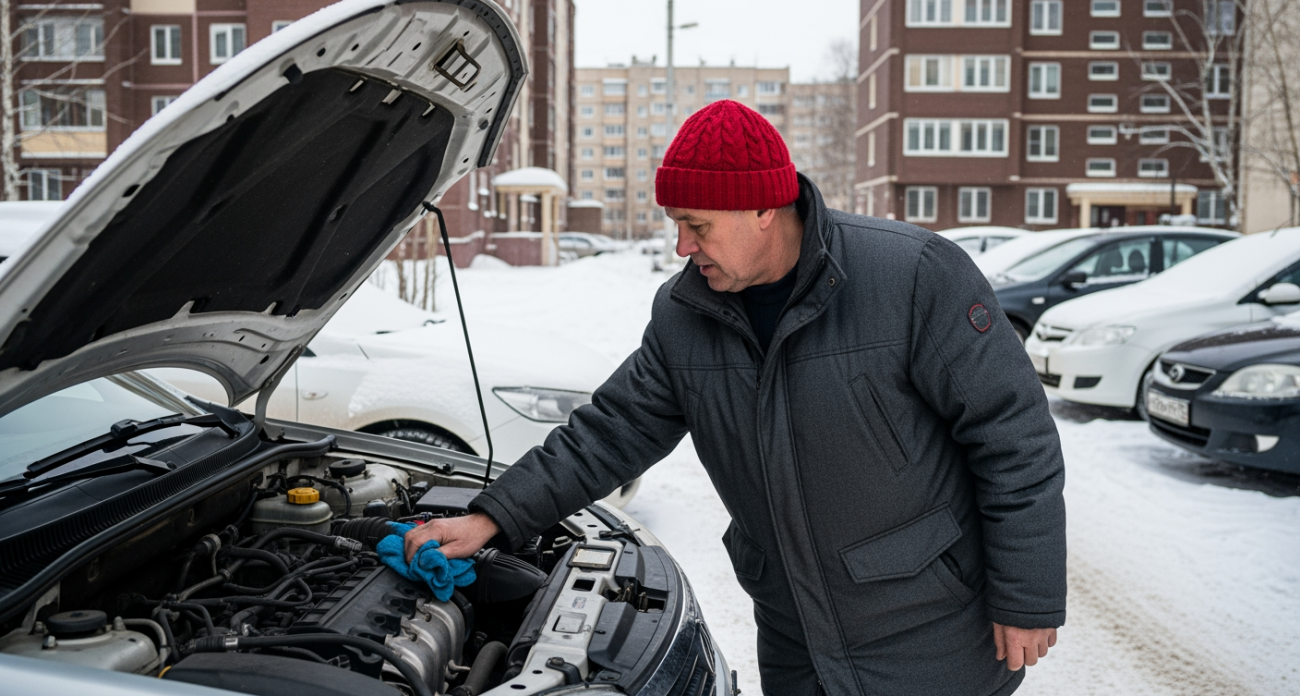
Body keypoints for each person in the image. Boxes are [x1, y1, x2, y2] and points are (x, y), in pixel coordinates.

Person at [405, 99, 1066, 696]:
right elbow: (608, 432)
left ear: (761, 208)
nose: (682, 246)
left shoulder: (914, 277)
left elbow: (1014, 438)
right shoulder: (685, 313)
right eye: (676, 224)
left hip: (928, 634)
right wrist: (493, 518)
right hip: (796, 637)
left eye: (697, 225)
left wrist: (1027, 597)